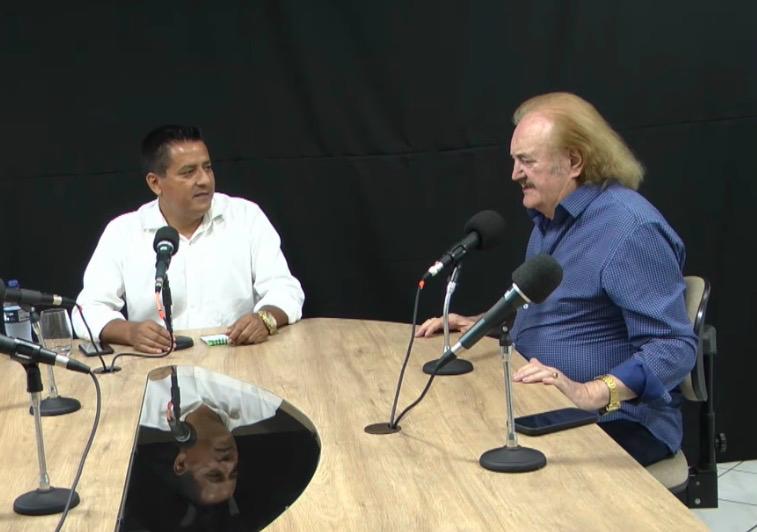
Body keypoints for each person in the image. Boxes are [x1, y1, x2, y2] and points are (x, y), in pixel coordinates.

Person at [416, 92, 697, 466]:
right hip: (547, 404)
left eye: (526, 161)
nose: (515, 174)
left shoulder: (630, 229)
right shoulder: (549, 223)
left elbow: (674, 347)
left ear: (574, 162)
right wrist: (480, 323)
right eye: (514, 160)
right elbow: (557, 313)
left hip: (619, 421)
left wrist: (589, 392)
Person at [72, 125, 304, 353]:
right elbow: (87, 309)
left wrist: (264, 319)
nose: (204, 180)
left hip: (238, 357)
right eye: (188, 172)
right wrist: (130, 332)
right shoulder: (124, 232)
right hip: (156, 364)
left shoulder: (245, 217)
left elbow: (285, 289)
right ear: (155, 183)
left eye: (208, 168)